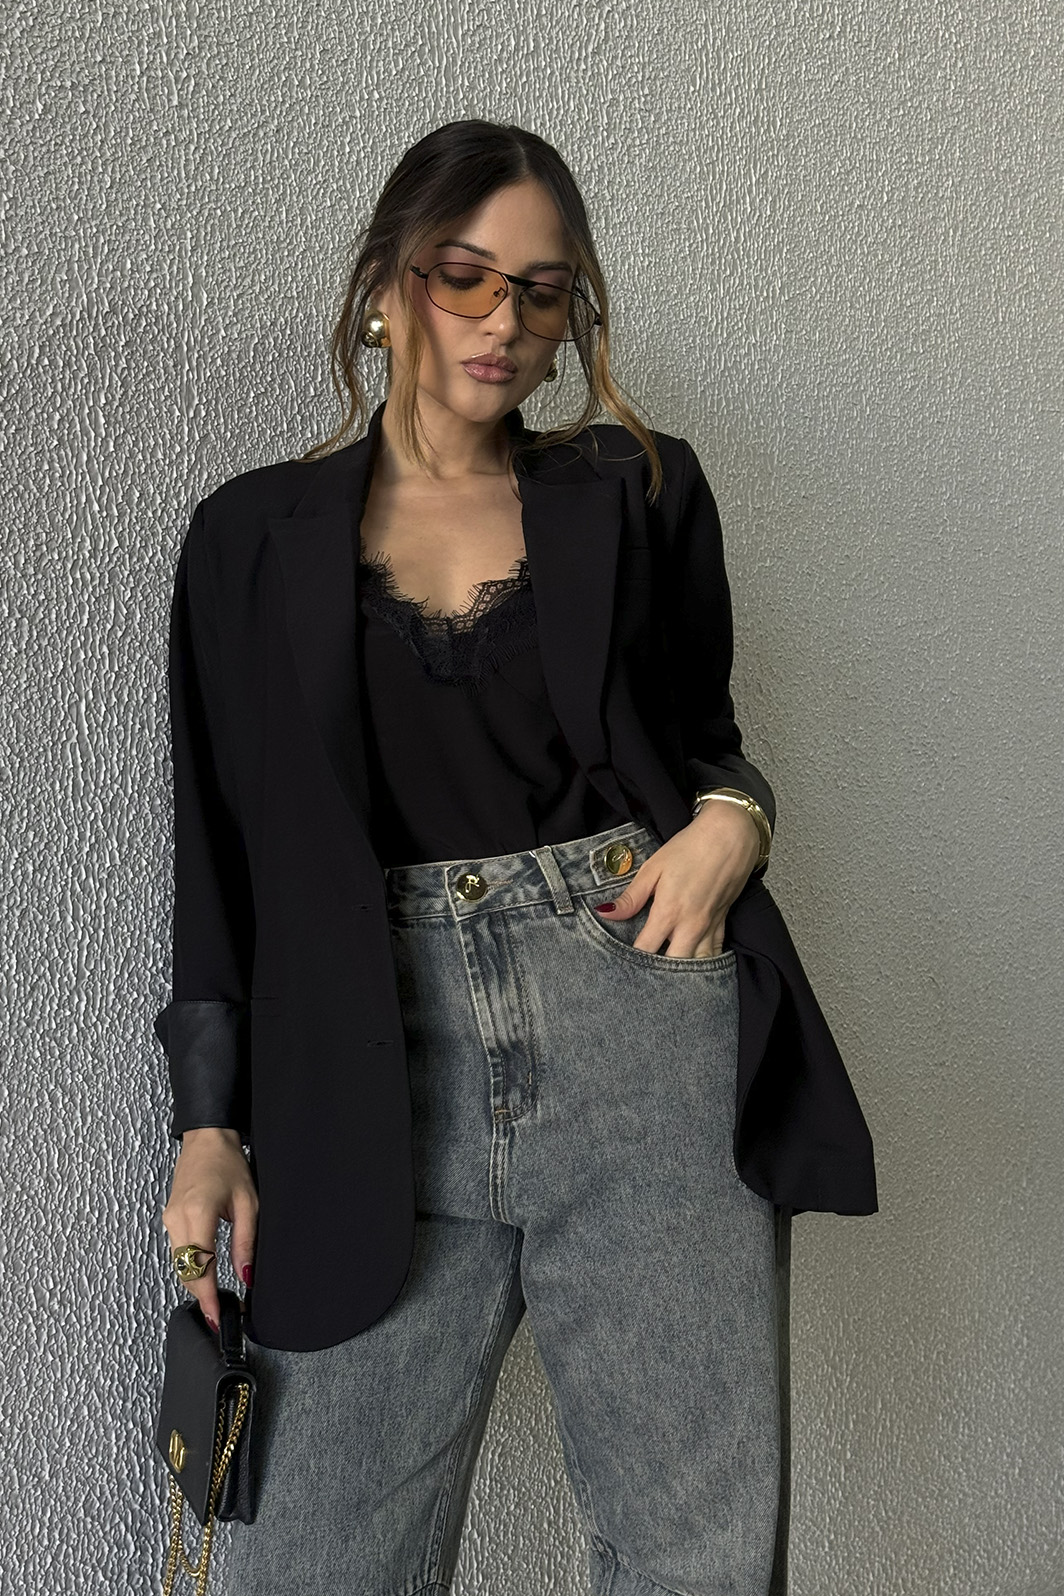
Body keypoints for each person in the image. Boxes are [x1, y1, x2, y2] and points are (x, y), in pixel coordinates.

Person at [155, 118, 876, 1596]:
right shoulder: (247, 537)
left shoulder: (640, 491)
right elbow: (217, 841)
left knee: (692, 1557)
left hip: (640, 1019)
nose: (503, 321)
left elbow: (706, 743)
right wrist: (208, 1121)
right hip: (366, 1054)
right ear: (387, 285)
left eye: (542, 292)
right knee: (318, 1561)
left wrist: (737, 824)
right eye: (464, 276)